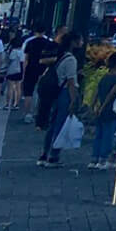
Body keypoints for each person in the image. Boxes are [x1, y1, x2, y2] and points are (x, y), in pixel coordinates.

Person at [39, 30, 81, 166]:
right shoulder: (71, 60)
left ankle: (45, 153)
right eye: (80, 40)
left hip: (56, 92)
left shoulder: (61, 56)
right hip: (64, 93)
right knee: (60, 125)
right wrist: (74, 99)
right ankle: (54, 155)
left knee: (53, 124)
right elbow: (71, 82)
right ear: (74, 42)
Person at [88, 52, 116, 170]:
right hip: (111, 110)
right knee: (108, 135)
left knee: (99, 134)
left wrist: (94, 106)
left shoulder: (104, 77)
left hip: (100, 109)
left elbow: (96, 92)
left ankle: (95, 158)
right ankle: (103, 158)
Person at [20, 27, 52, 125]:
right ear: (44, 31)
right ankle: (38, 113)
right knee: (41, 92)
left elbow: (26, 59)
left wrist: (23, 73)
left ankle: (27, 114)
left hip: (30, 69)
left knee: (28, 93)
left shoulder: (29, 42)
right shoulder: (49, 43)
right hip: (44, 70)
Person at [0, 33, 24, 112]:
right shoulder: (22, 51)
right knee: (18, 87)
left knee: (10, 88)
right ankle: (16, 104)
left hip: (12, 70)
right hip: (20, 70)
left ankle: (7, 104)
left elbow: (9, 60)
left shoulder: (13, 51)